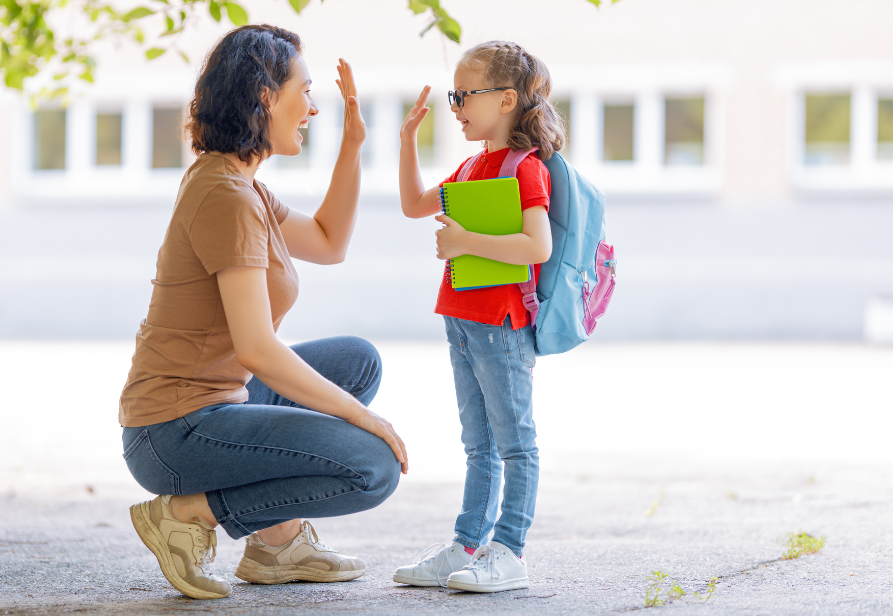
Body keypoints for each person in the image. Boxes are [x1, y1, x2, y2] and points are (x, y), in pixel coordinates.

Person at [118, 24, 407, 600]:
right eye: (303, 90)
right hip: (173, 432)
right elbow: (256, 348)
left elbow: (328, 242)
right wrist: (362, 418)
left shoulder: (241, 184)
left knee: (357, 362)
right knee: (371, 467)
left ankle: (276, 546)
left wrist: (352, 148)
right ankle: (189, 512)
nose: (313, 107)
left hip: (221, 404)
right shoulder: (226, 196)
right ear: (264, 96)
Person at [392, 40, 567, 593]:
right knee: (477, 442)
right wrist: (406, 141)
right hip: (462, 318)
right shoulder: (471, 166)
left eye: (466, 94)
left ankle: (509, 550)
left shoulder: (525, 169)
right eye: (455, 94)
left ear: (508, 99)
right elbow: (414, 204)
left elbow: (535, 247)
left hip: (502, 322)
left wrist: (466, 239)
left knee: (515, 441)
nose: (457, 105)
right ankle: (468, 544)